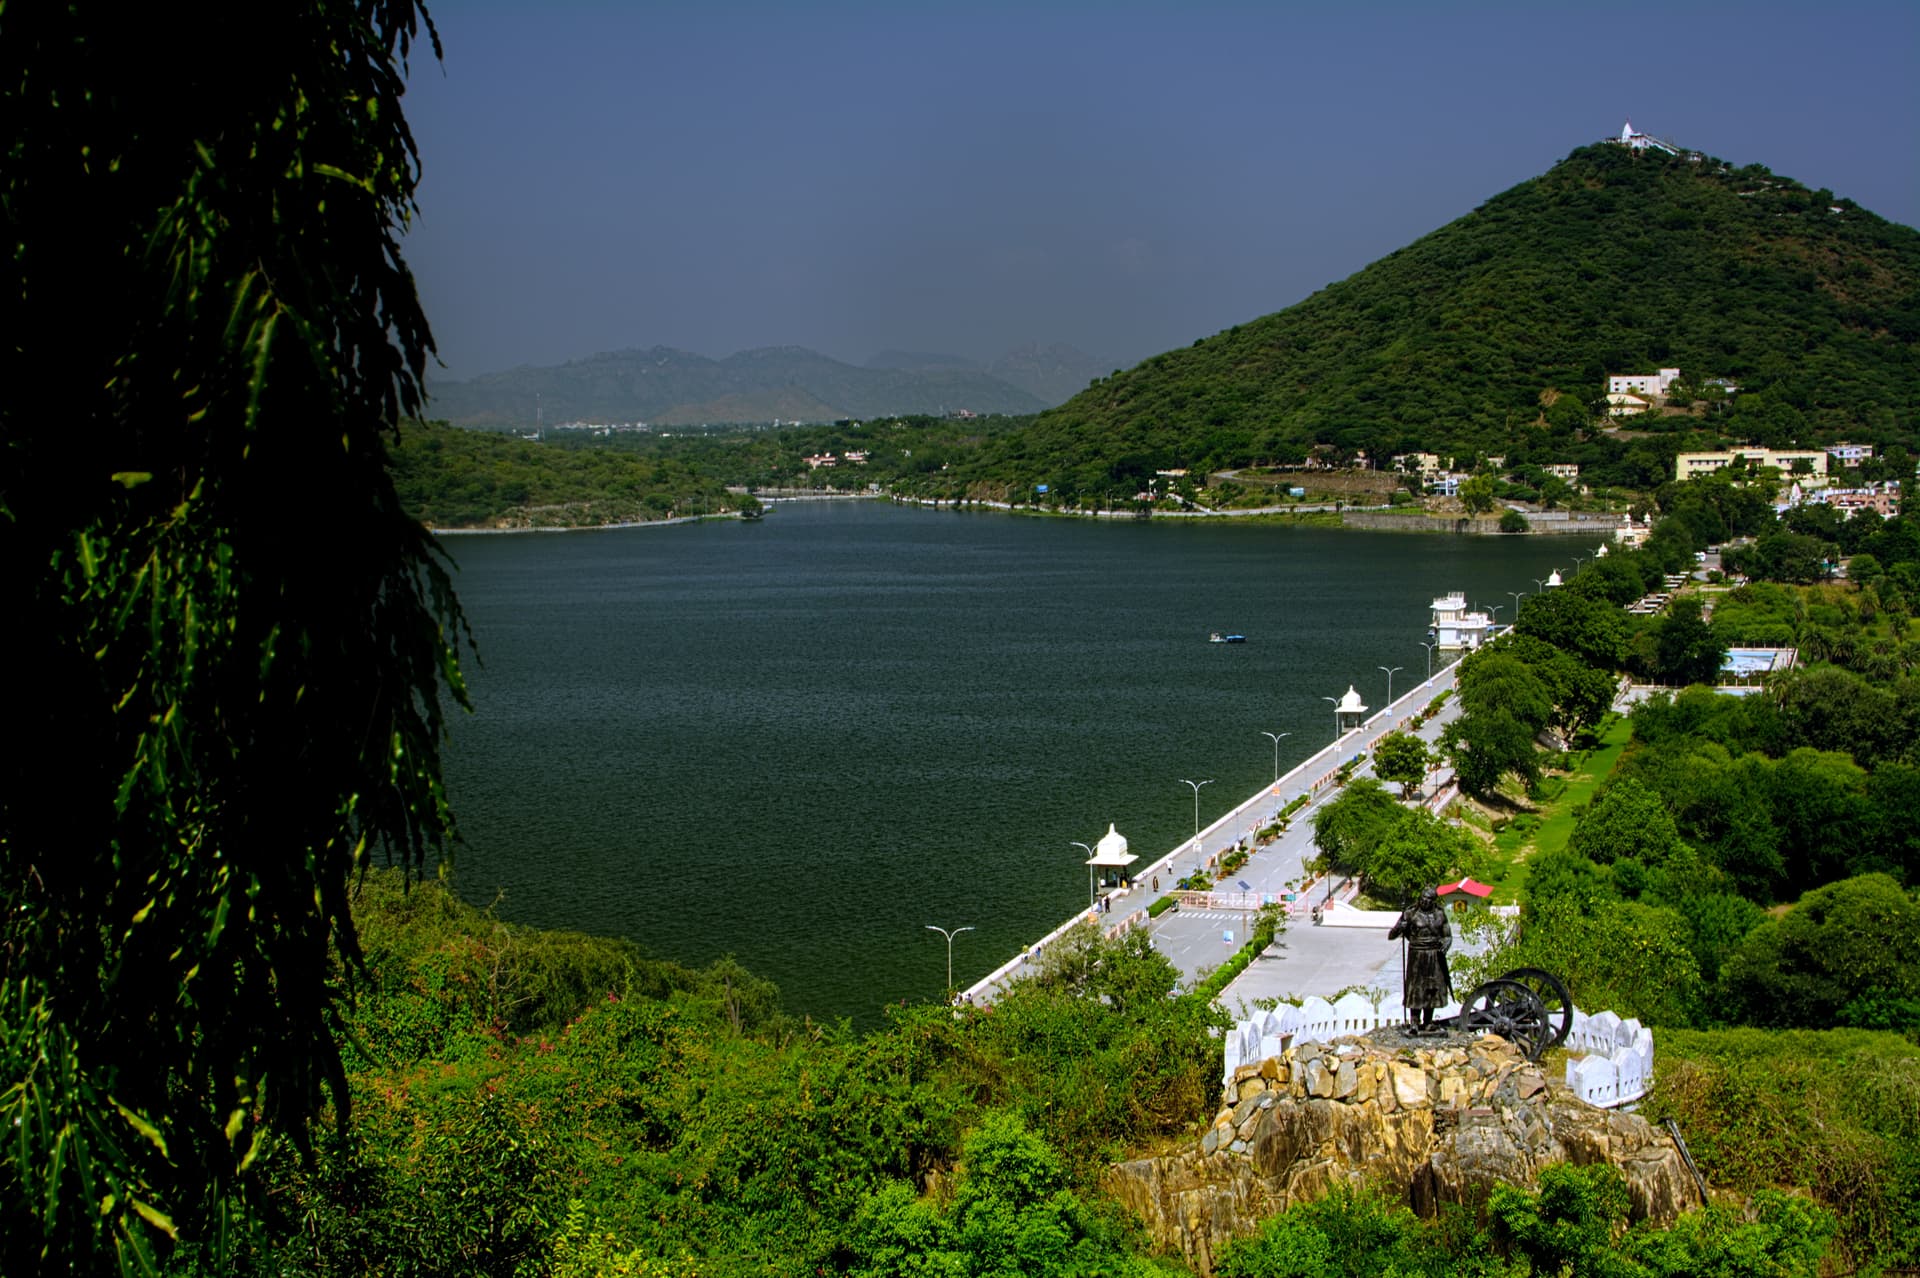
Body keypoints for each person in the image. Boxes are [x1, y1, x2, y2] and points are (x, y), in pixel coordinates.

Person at [1388, 886, 1453, 1036]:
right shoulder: (1411, 913)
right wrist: (1400, 927)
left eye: (1428, 899)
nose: (1424, 901)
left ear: (1433, 901)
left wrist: (1446, 944)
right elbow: (1391, 935)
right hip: (1417, 954)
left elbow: (1447, 935)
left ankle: (1428, 1022)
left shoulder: (1439, 914)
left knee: (1432, 988)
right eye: (1422, 897)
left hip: (1434, 954)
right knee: (1415, 988)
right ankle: (1414, 1023)